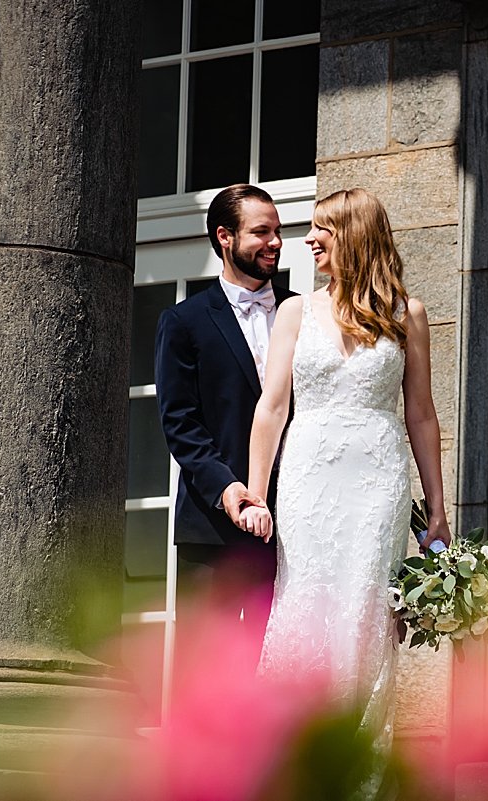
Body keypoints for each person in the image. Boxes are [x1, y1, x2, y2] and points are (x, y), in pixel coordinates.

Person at [238, 187, 450, 789]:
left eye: (321, 229)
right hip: (309, 481)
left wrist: (435, 509)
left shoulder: (407, 314)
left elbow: (422, 415)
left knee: (364, 615)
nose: (307, 240)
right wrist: (256, 491)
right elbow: (271, 409)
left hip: (377, 484)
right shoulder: (295, 312)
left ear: (354, 234)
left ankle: (360, 775)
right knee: (305, 608)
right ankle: (291, 762)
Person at [154, 183, 294, 660]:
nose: (275, 241)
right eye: (261, 232)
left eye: (278, 230)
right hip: (210, 525)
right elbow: (180, 423)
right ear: (225, 237)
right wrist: (227, 488)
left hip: (292, 524)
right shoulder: (184, 321)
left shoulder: (303, 313)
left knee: (275, 662)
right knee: (206, 670)